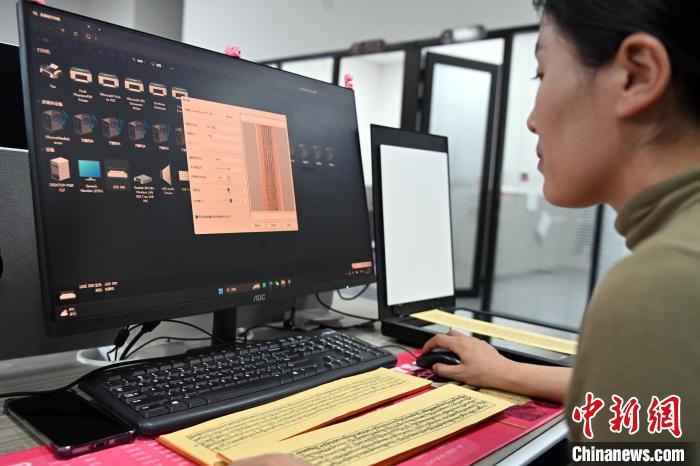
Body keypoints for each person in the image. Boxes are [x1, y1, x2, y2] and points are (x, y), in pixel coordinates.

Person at [424, 0, 700, 443]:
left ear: (636, 75)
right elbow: (653, 401)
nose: (532, 121)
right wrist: (506, 371)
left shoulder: (663, 283)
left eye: (542, 74)